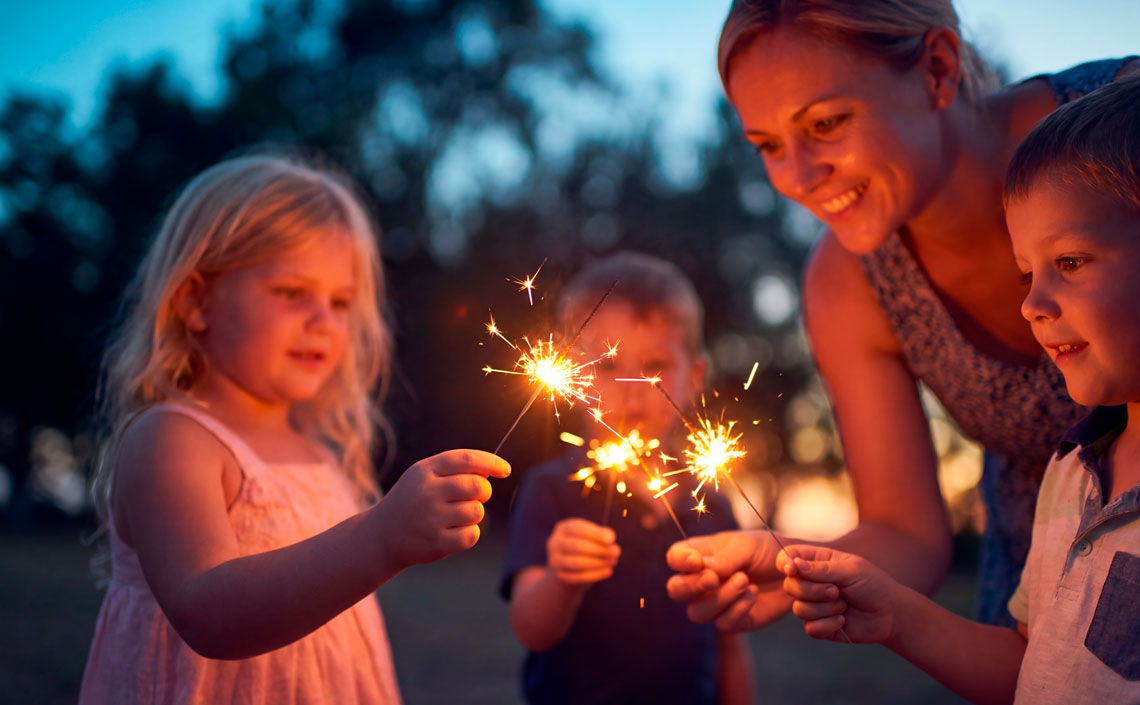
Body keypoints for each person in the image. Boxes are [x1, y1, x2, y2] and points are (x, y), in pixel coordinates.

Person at [666, 0, 1139, 631]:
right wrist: (790, 564)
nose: (799, 176)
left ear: (938, 68)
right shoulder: (849, 283)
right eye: (768, 145)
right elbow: (906, 533)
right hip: (1041, 605)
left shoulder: (1120, 131)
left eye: (827, 123)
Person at [78, 152, 510, 704]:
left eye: (340, 302)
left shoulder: (320, 455)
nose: (322, 322)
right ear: (195, 301)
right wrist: (382, 539)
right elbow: (208, 613)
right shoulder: (172, 441)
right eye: (291, 293)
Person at [778, 74, 1140, 705]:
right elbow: (1030, 666)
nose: (1033, 305)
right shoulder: (1070, 476)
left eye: (1072, 263)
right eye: (1027, 273)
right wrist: (896, 614)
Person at [500, 252, 755, 705]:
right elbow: (530, 630)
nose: (633, 388)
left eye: (655, 367)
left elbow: (729, 640)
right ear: (573, 375)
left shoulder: (711, 502)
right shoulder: (552, 490)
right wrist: (562, 581)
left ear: (694, 376)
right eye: (606, 366)